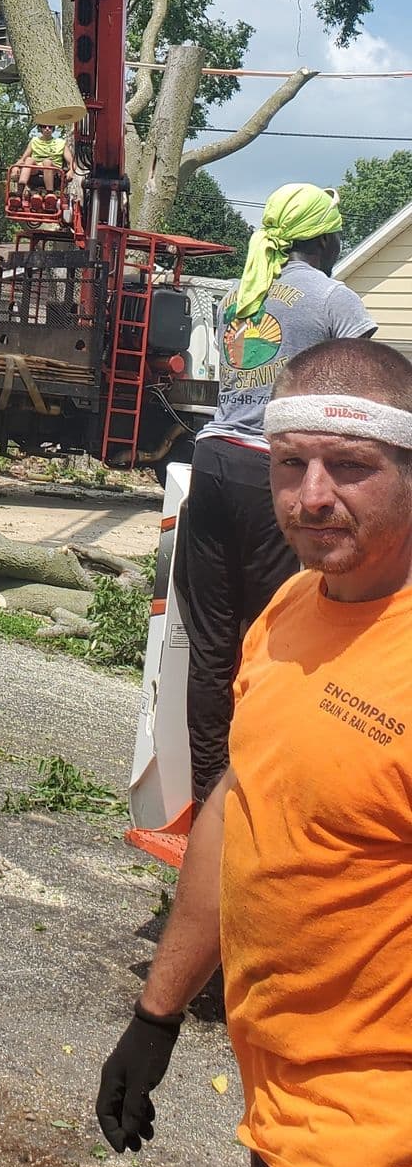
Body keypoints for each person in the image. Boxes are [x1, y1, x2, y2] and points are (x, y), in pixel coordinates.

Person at [97, 337, 412, 1167]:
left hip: (376, 1153)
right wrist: (156, 1015)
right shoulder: (288, 611)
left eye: (351, 466)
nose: (312, 495)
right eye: (289, 464)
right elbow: (238, 808)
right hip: (280, 1110)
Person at [175, 182, 375, 807]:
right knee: (276, 636)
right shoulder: (332, 298)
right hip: (273, 472)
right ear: (324, 239)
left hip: (212, 462)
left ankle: (208, 799)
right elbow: (366, 393)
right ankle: (259, 799)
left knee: (213, 643)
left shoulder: (244, 292)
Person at [8, 120, 74, 200]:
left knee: (47, 162)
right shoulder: (34, 141)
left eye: (50, 127)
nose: (47, 129)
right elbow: (23, 159)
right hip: (35, 172)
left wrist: (71, 171)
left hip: (54, 173)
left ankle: (50, 194)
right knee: (29, 160)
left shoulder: (61, 143)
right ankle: (19, 193)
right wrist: (15, 167)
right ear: (41, 129)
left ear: (53, 129)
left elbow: (71, 161)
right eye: (44, 126)